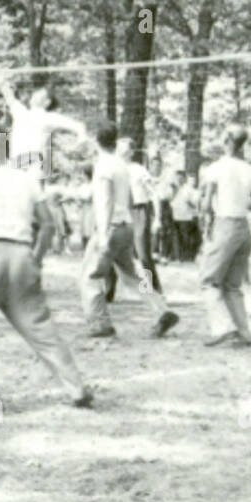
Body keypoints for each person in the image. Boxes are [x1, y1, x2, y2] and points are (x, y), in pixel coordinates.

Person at [0, 125, 92, 411]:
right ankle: (76, 388)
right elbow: (48, 225)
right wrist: (36, 258)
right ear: (8, 149)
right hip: (21, 254)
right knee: (40, 328)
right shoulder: (27, 181)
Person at [80, 123, 179, 340]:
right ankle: (161, 310)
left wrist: (103, 234)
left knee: (89, 275)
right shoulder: (122, 166)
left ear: (97, 141)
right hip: (126, 225)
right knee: (134, 276)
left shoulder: (103, 167)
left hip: (111, 226)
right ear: (115, 141)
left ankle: (100, 323)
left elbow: (105, 202)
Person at [199, 124, 251, 347]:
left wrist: (206, 225)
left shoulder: (215, 168)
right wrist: (240, 197)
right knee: (232, 286)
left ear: (227, 141)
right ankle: (245, 334)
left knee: (208, 281)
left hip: (225, 224)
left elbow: (206, 204)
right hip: (243, 227)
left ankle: (223, 327)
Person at [119, 138, 161, 293]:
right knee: (110, 251)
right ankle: (107, 292)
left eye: (124, 148)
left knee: (143, 254)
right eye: (119, 148)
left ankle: (153, 289)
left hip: (138, 211)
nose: (121, 151)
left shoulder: (139, 169)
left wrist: (157, 218)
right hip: (121, 211)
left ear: (131, 152)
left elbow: (154, 194)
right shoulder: (115, 169)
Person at [171, 170, 199, 262]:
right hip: (174, 216)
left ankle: (187, 256)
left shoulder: (188, 189)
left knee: (185, 238)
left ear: (184, 179)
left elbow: (195, 203)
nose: (179, 180)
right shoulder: (172, 189)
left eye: (181, 178)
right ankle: (177, 256)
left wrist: (189, 203)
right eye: (177, 178)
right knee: (176, 237)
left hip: (186, 217)